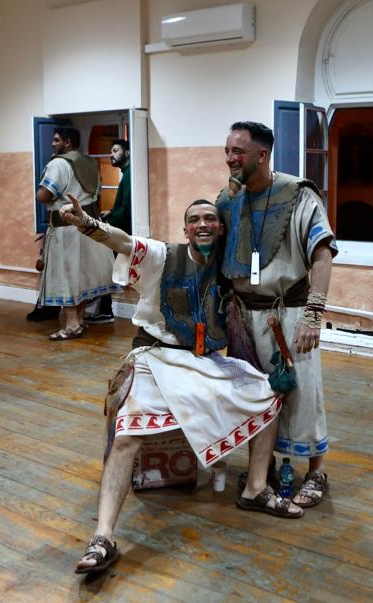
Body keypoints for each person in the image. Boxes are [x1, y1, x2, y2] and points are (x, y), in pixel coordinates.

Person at [60, 194, 302, 576]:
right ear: (185, 229)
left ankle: (255, 488)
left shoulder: (228, 269)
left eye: (210, 219)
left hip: (201, 361)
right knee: (127, 436)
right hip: (153, 356)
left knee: (267, 392)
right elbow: (122, 241)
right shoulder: (163, 256)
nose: (202, 224)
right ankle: (103, 536)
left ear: (220, 228)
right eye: (194, 220)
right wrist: (85, 222)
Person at [217, 121, 337, 508]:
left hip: (290, 313)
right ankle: (261, 470)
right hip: (243, 317)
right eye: (228, 151)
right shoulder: (228, 200)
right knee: (253, 396)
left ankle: (316, 470)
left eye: (239, 152)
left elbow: (322, 252)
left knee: (303, 392)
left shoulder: (298, 195)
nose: (231, 158)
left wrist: (314, 314)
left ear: (262, 155)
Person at [35, 126, 115, 340]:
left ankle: (71, 325)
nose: (53, 144)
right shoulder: (90, 163)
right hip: (88, 227)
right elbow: (96, 194)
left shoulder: (59, 164)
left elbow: (44, 195)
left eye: (56, 140)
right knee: (83, 276)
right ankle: (79, 319)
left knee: (67, 275)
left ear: (68, 142)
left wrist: (39, 193)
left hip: (66, 230)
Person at [85, 138, 132, 325]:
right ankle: (104, 309)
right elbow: (122, 206)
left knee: (106, 268)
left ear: (126, 153)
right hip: (119, 226)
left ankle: (106, 310)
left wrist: (107, 221)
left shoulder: (128, 175)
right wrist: (111, 212)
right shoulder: (126, 173)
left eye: (115, 151)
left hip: (122, 231)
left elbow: (126, 208)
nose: (111, 155)